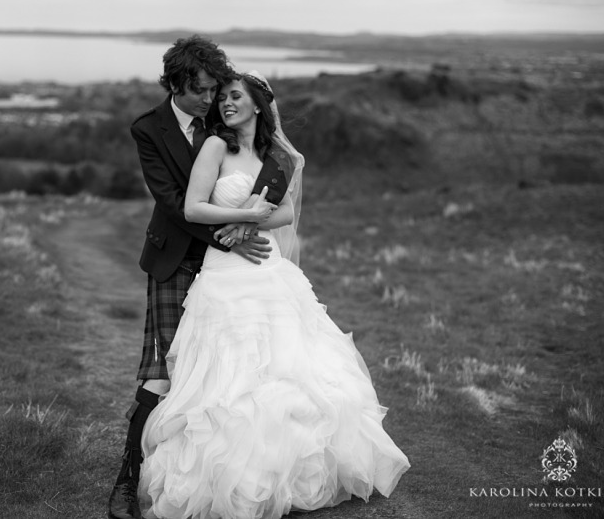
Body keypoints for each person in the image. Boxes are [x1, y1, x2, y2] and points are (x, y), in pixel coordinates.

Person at [138, 71, 410, 519]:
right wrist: (242, 216)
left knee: (285, 367)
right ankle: (228, 475)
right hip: (225, 272)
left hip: (268, 269)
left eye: (234, 96)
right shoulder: (215, 146)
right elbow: (192, 207)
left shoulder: (277, 157)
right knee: (229, 372)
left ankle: (286, 471)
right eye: (222, 98)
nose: (225, 103)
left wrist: (250, 220)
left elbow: (283, 214)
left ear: (258, 105)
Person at [108, 37, 293, 519]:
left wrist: (241, 233)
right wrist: (231, 239)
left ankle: (212, 475)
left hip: (227, 270)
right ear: (175, 85)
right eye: (201, 91)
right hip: (176, 259)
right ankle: (127, 480)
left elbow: (262, 174)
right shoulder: (149, 128)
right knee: (163, 371)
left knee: (224, 373)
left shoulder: (222, 119)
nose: (211, 99)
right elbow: (174, 201)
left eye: (216, 89)